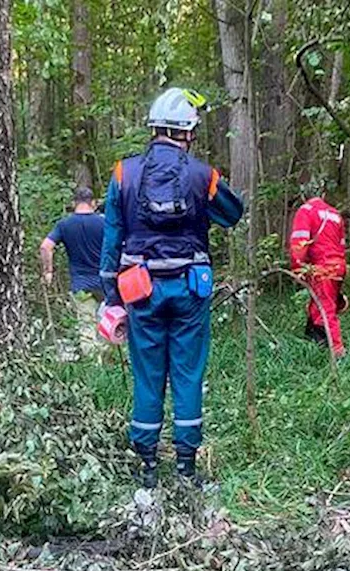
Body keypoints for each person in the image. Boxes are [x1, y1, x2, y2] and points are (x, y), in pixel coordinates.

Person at [100, 88, 244, 489]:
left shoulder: (122, 173)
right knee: (187, 374)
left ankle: (146, 466)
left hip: (140, 290)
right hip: (189, 290)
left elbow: (112, 239)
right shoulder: (202, 175)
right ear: (188, 130)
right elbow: (233, 214)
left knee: (148, 376)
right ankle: (186, 467)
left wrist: (111, 298)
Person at [39, 187, 105, 354]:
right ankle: (110, 365)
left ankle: (92, 369)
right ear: (94, 203)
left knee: (86, 327)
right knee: (109, 325)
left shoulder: (64, 225)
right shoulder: (104, 223)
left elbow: (46, 247)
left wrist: (48, 271)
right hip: (106, 283)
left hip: (81, 284)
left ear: (73, 203)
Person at [289, 189, 348, 358]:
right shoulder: (335, 214)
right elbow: (341, 246)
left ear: (302, 196)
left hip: (322, 268)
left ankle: (337, 351)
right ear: (322, 194)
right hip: (338, 266)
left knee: (325, 309)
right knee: (318, 305)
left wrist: (298, 269)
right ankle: (313, 340)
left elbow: (299, 245)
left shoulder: (306, 211)